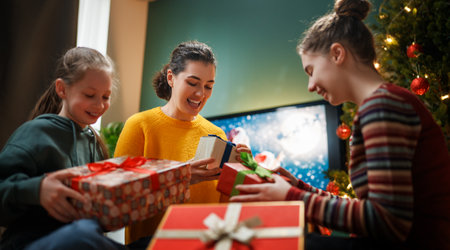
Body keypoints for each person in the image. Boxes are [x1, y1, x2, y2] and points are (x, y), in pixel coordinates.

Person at [230, 0, 450, 249]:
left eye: (311, 71)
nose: (310, 86)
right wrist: (297, 188)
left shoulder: (383, 106)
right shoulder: (382, 104)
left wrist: (293, 197)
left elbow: (388, 221)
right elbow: (372, 208)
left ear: (337, 53)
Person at [114, 41, 251, 244]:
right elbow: (119, 198)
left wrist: (244, 169)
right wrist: (179, 179)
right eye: (192, 83)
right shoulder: (140, 125)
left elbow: (227, 204)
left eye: (208, 86)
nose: (200, 94)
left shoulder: (217, 134)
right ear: (171, 77)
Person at [0, 47, 127, 250]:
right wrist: (38, 189)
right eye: (89, 95)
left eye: (105, 97)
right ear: (62, 89)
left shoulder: (95, 142)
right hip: (30, 242)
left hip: (82, 237)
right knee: (82, 234)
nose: (100, 105)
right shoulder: (35, 133)